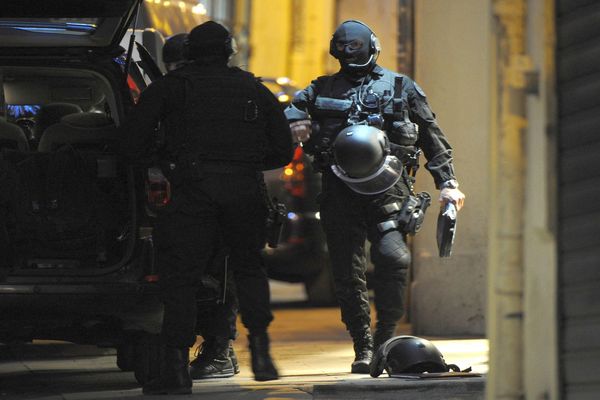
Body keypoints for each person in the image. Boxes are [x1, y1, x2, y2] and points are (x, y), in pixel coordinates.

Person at [120, 21, 293, 395]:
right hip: (245, 191)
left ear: (189, 52)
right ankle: (261, 355)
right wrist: (242, 163)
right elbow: (282, 149)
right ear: (230, 51)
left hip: (193, 192)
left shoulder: (171, 87)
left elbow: (130, 143)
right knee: (248, 271)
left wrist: (166, 160)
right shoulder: (253, 88)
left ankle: (176, 372)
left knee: (181, 279)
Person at [285, 20, 465, 374]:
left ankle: (384, 339)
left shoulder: (400, 87)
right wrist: (295, 123)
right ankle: (362, 345)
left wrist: (448, 182)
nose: (352, 55)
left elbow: (432, 137)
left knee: (393, 259)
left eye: (357, 48)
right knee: (347, 273)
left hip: (390, 189)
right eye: (345, 49)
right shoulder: (320, 89)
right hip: (339, 189)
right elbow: (292, 110)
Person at [162, 32, 241, 381]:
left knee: (216, 279)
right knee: (215, 278)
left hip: (199, 200)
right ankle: (216, 349)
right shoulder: (244, 88)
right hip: (223, 198)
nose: (181, 71)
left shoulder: (170, 90)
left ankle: (214, 350)